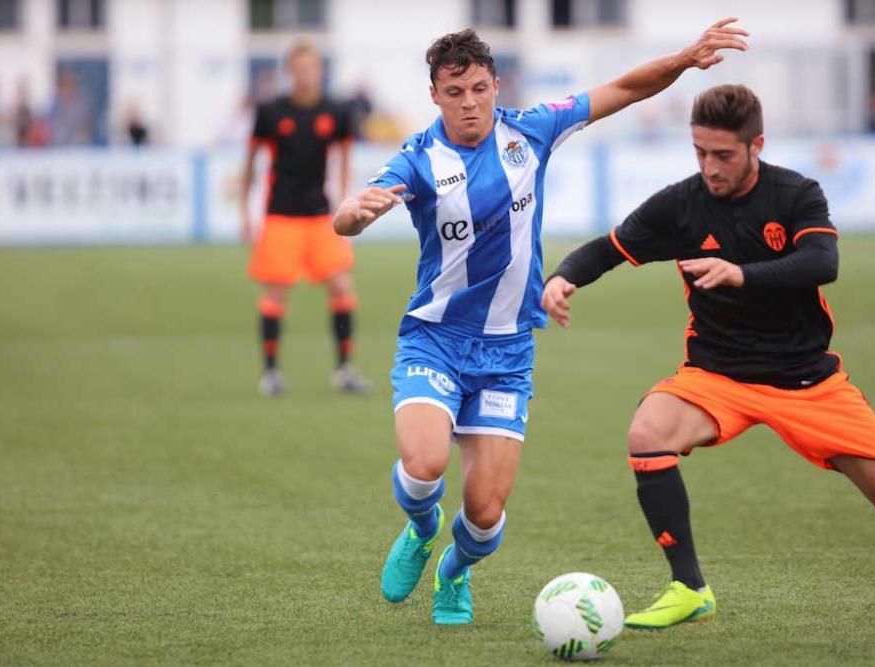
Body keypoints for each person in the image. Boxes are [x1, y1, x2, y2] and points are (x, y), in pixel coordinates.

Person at [332, 22, 748, 625]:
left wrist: (684, 59)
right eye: (455, 93)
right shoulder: (418, 158)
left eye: (479, 88)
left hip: (507, 354)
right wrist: (350, 214)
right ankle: (421, 530)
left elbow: (623, 89)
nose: (469, 102)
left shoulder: (531, 130)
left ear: (496, 84)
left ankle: (455, 570)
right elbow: (354, 213)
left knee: (483, 512)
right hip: (436, 338)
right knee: (424, 467)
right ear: (435, 96)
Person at [542, 84, 875, 642]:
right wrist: (563, 277)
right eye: (700, 153)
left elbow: (822, 261)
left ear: (756, 145)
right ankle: (690, 590)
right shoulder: (682, 203)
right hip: (716, 376)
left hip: (808, 379)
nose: (710, 168)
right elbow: (609, 247)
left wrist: (742, 273)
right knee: (648, 432)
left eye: (723, 155)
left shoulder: (796, 194)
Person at [241, 42, 369, 396]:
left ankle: (344, 369)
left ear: (320, 70)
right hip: (281, 214)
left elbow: (344, 158)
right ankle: (270, 373)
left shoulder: (337, 111)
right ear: (289, 71)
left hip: (320, 215)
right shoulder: (270, 112)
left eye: (312, 67)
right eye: (299, 67)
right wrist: (244, 212)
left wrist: (346, 203)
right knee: (276, 293)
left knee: (343, 288)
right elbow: (251, 161)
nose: (307, 73)